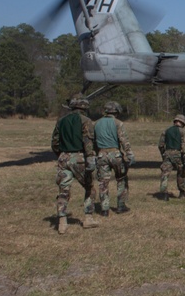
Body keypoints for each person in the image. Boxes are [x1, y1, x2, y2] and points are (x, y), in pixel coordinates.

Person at [51, 94, 97, 234]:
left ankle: (62, 222)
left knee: (63, 191)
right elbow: (88, 141)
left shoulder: (61, 121)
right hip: (79, 158)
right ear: (84, 106)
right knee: (90, 188)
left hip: (63, 158)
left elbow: (55, 142)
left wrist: (62, 155)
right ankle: (88, 218)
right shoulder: (86, 121)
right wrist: (90, 158)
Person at [94, 101, 135, 216]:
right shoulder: (118, 123)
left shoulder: (96, 123)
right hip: (115, 154)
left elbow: (93, 141)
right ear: (117, 111)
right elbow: (124, 140)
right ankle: (121, 206)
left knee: (103, 182)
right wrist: (129, 154)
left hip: (101, 155)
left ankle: (105, 209)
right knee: (121, 179)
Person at [158, 114, 185, 200]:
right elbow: (184, 145)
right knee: (181, 173)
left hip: (167, 154)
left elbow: (160, 145)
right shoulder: (183, 131)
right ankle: (182, 192)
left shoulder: (166, 131)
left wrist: (163, 154)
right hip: (178, 154)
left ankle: (164, 195)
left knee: (165, 174)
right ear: (182, 122)